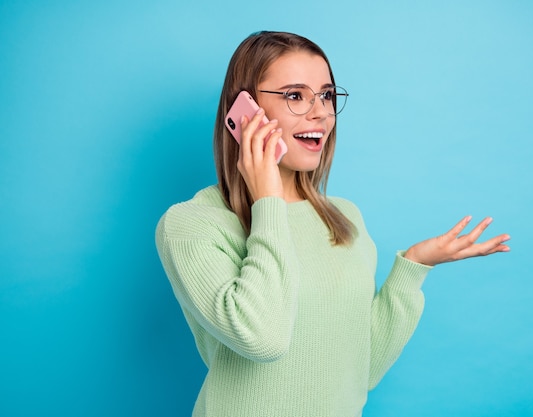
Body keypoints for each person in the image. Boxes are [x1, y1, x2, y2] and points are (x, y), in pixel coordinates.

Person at [155, 31, 510, 417]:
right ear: (245, 110)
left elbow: (361, 369)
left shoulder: (344, 218)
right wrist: (268, 202)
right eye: (295, 95)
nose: (321, 112)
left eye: (326, 95)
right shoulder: (192, 225)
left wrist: (413, 267)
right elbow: (263, 339)